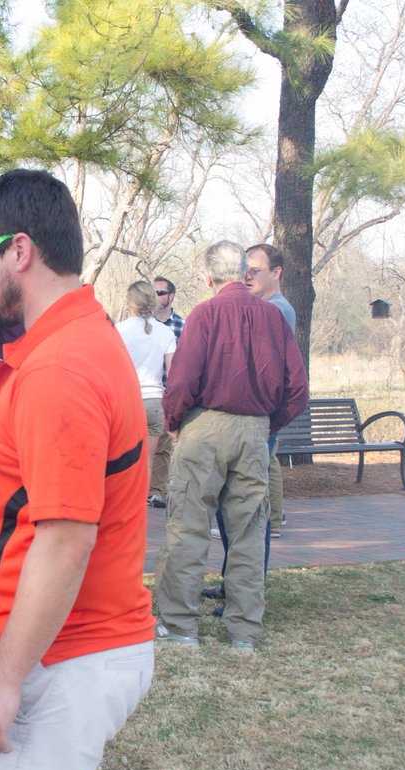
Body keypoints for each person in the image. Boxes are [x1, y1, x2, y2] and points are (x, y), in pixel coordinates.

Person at [0, 169, 155, 770]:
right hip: (52, 649)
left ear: (19, 251)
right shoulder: (70, 342)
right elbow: (15, 507)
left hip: (55, 659)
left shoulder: (59, 369)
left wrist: (4, 681)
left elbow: (65, 540)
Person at [154, 241, 308, 651]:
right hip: (253, 431)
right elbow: (297, 390)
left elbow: (182, 380)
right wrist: (264, 424)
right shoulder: (273, 318)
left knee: (188, 526)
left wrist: (174, 422)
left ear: (208, 278)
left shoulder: (204, 314)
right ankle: (244, 631)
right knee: (248, 532)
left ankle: (178, 625)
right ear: (244, 273)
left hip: (203, 426)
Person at [246, 243, 295, 537]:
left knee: (259, 469)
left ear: (276, 272)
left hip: (265, 408)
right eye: (245, 270)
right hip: (266, 409)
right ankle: (270, 522)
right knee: (267, 463)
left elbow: (269, 367)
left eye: (255, 270)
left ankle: (264, 525)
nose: (247, 276)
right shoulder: (266, 307)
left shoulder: (276, 309)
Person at [116, 281, 177, 504]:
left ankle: (124, 506)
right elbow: (173, 375)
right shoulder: (165, 332)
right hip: (154, 402)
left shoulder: (118, 330)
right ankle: (140, 509)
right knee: (148, 462)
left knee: (124, 459)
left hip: (127, 401)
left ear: (130, 302)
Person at [148, 275, 184, 508]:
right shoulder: (143, 324)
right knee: (151, 446)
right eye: (153, 292)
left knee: (170, 447)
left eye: (161, 292)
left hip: (172, 392)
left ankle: (164, 491)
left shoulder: (182, 324)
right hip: (147, 391)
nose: (156, 296)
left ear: (171, 296)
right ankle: (148, 490)